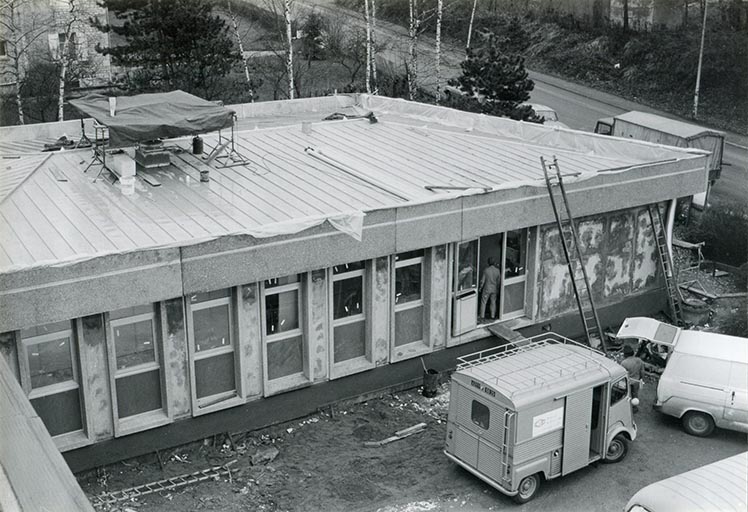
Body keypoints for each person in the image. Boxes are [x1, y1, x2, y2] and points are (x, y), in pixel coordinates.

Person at [621, 344, 644, 412]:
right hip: (636, 381)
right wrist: (641, 379)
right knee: (635, 394)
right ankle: (634, 407)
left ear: (625, 354)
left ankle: (626, 407)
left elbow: (622, 374)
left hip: (628, 381)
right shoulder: (639, 361)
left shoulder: (624, 363)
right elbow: (642, 371)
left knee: (627, 394)